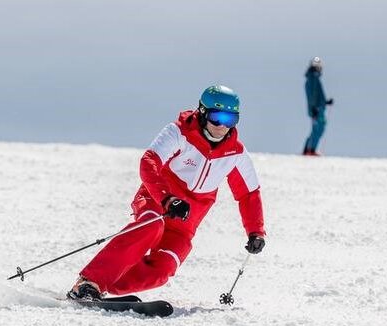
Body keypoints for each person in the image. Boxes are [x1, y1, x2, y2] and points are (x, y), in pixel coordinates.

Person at [68, 85, 267, 301]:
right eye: (217, 117)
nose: (222, 126)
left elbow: (248, 194)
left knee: (163, 269)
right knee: (151, 225)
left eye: (230, 120)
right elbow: (149, 161)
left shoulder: (236, 153)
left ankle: (100, 290)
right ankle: (90, 282)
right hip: (158, 200)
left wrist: (256, 231)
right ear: (202, 112)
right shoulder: (180, 132)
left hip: (186, 223)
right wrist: (167, 199)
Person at [303, 57, 334, 156]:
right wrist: (314, 108)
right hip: (316, 109)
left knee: (317, 129)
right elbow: (312, 95)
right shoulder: (313, 78)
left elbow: (318, 95)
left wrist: (326, 102)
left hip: (317, 108)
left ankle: (309, 149)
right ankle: (310, 150)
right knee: (318, 129)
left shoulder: (312, 78)